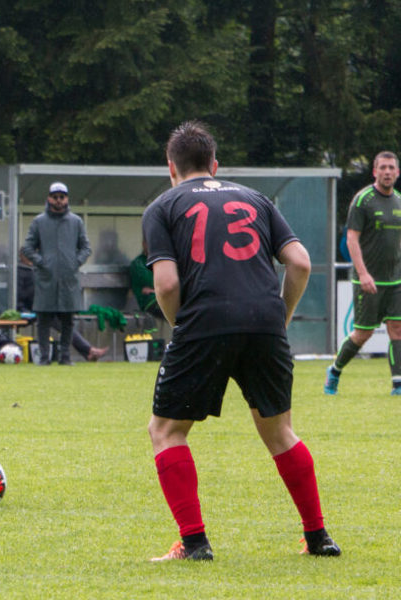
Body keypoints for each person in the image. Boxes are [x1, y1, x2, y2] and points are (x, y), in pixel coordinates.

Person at [143, 121, 339, 561]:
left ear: (171, 167)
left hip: (204, 320)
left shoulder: (163, 205)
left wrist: (183, 329)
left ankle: (194, 543)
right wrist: (278, 318)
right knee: (279, 431)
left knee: (167, 431)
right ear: (215, 164)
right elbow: (300, 263)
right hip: (265, 322)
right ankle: (318, 537)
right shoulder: (255, 199)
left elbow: (168, 283)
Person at [324, 151, 401, 396]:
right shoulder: (362, 200)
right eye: (383, 168)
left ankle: (398, 385)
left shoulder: (399, 201)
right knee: (363, 333)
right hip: (368, 279)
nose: (387, 172)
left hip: (396, 279)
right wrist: (363, 273)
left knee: (397, 329)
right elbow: (351, 240)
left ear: (397, 172)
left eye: (391, 168)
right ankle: (334, 371)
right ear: (375, 172)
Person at [20, 182, 91, 365]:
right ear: (49, 198)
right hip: (46, 278)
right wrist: (41, 262)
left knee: (68, 320)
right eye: (55, 197)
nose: (59, 201)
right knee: (43, 319)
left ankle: (65, 357)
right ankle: (44, 358)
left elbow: (86, 247)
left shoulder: (76, 221)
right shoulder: (39, 221)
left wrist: (75, 262)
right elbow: (27, 247)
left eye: (62, 197)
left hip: (68, 278)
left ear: (66, 199)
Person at [18, 251, 107, 361]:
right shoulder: (21, 272)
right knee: (61, 323)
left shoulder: (36, 270)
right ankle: (88, 351)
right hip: (31, 311)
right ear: (22, 257)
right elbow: (21, 295)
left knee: (65, 321)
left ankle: (88, 351)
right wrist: (24, 310)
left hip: (44, 307)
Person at [128, 239, 164, 321]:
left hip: (165, 298)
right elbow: (152, 281)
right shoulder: (138, 262)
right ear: (144, 244)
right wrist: (161, 289)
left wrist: (157, 290)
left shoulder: (162, 260)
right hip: (149, 301)